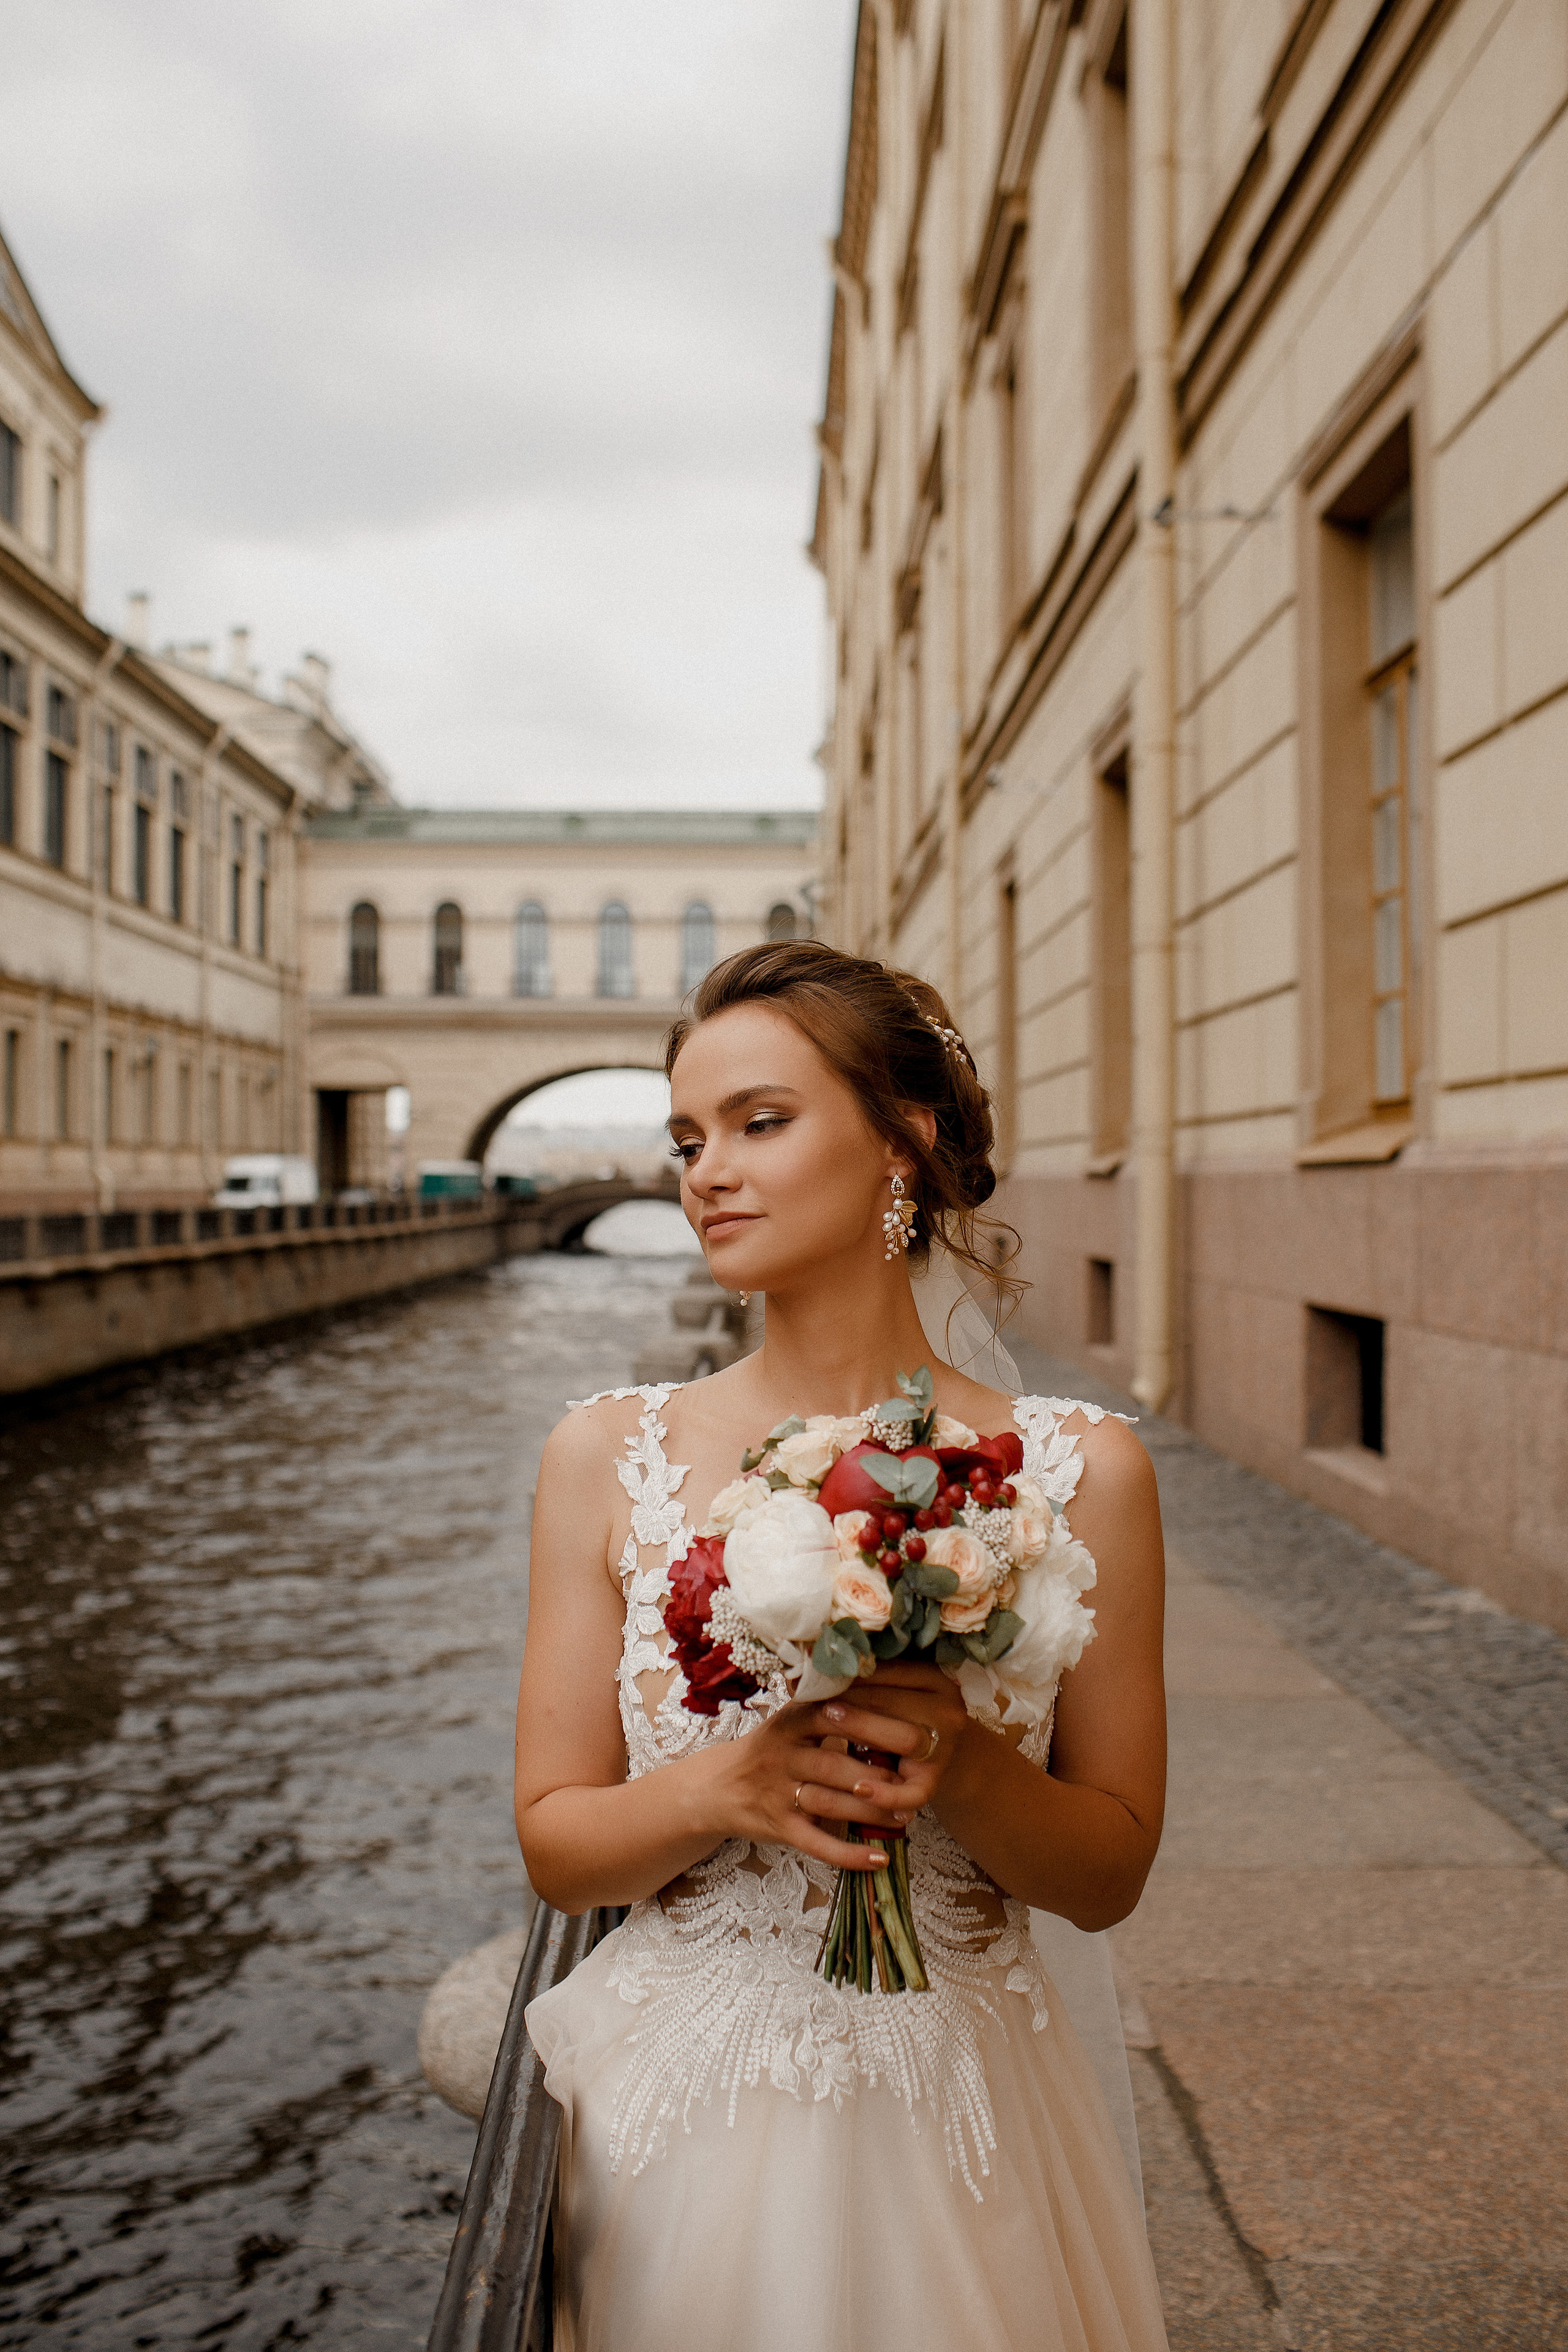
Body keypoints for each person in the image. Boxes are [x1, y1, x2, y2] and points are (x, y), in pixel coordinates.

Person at [514, 941, 1169, 2351]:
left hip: (968, 2117)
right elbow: (557, 1842)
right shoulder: (601, 1454)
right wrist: (726, 1789)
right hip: (685, 2121)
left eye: (759, 1122)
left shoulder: (1079, 1470)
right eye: (687, 1139)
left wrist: (962, 1763)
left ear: (901, 1142)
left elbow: (1108, 1875)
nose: (705, 1172)